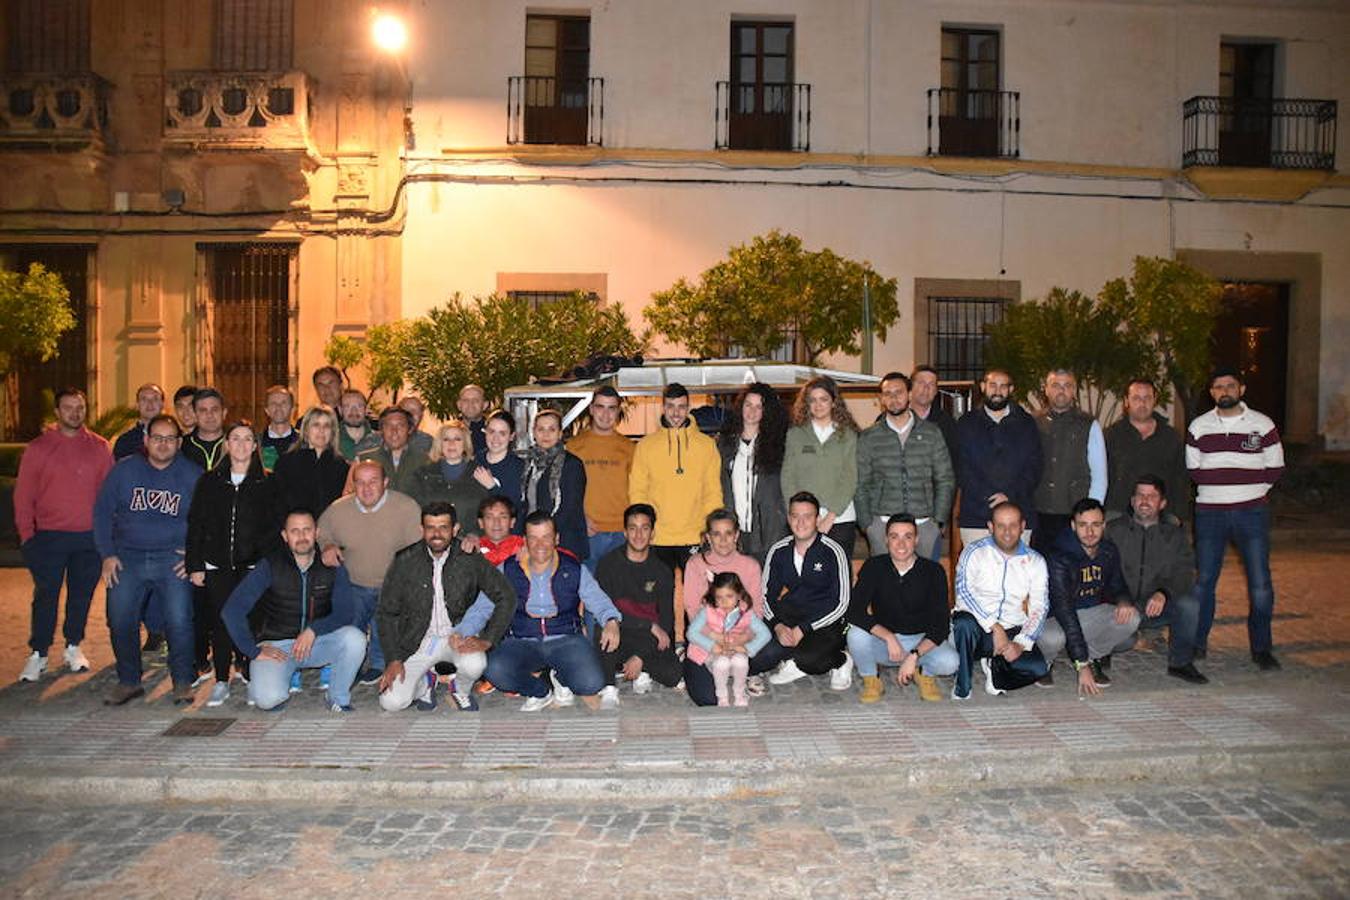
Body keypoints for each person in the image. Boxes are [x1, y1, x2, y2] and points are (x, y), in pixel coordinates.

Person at [93, 414, 203, 705]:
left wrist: (194, 556)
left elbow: (207, 521)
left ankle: (182, 681)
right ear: (146, 440)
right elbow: (102, 512)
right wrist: (107, 554)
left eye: (170, 439)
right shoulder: (124, 471)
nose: (163, 444)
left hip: (172, 558)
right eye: (157, 438)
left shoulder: (193, 475)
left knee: (179, 620)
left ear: (179, 443)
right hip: (127, 557)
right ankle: (129, 681)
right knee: (119, 618)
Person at [375, 501, 518, 713]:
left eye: (443, 527)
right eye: (430, 527)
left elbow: (506, 595)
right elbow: (386, 612)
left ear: (455, 529)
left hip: (457, 636)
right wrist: (394, 658)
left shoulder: (469, 558)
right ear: (421, 529)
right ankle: (424, 684)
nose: (437, 534)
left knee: (475, 663)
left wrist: (488, 639)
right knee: (391, 702)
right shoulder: (405, 560)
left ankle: (460, 690)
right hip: (418, 641)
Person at [1187, 368, 1285, 669]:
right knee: (1204, 581)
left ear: (1241, 388)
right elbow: (1195, 470)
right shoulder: (1199, 426)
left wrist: (1252, 492)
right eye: (1218, 387)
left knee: (1260, 582)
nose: (1224, 391)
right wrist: (1222, 490)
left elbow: (1275, 467)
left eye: (1230, 385)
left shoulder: (1262, 424)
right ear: (1212, 392)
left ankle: (1261, 648)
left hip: (1251, 512)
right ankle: (1197, 643)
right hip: (1210, 513)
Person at [221, 509, 367, 712]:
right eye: (294, 531)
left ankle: (337, 697)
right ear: (285, 536)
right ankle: (273, 682)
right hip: (279, 646)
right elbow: (232, 610)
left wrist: (313, 630)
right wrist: (253, 651)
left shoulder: (332, 566)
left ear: (316, 533)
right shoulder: (270, 566)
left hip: (317, 642)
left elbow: (345, 613)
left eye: (307, 530)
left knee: (355, 639)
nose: (301, 536)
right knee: (268, 700)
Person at [15, 388, 113, 682]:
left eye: (80, 407)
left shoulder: (99, 447)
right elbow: (23, 497)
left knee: (81, 596)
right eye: (68, 408)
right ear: (57, 412)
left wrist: (106, 538)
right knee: (45, 596)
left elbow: (109, 497)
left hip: (88, 538)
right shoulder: (39, 448)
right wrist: (27, 538)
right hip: (48, 538)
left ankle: (73, 646)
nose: (75, 413)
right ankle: (39, 653)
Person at [483, 512, 623, 712]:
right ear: (525, 540)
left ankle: (558, 675)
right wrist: (463, 631)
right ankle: (540, 691)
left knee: (590, 684)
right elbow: (483, 605)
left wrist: (611, 620)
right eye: (533, 538)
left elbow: (597, 599)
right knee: (494, 669)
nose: (540, 544)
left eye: (546, 537)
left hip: (566, 638)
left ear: (556, 539)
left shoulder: (573, 568)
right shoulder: (509, 569)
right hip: (523, 639)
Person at [185, 421, 280, 706]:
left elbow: (273, 528)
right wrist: (195, 565)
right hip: (217, 565)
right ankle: (222, 680)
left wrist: (268, 563)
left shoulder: (267, 482)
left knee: (251, 623)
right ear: (227, 444)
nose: (240, 444)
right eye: (235, 439)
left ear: (254, 446)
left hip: (252, 567)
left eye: (247, 439)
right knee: (222, 623)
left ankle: (250, 675)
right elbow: (196, 525)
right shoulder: (209, 482)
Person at [317, 460, 423, 686]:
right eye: (360, 482)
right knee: (350, 628)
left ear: (385, 482)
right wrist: (327, 545)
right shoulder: (338, 509)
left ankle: (377, 664)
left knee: (383, 629)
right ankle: (348, 665)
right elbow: (322, 532)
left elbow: (418, 549)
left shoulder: (406, 507)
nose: (366, 488)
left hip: (391, 585)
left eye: (373, 482)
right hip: (354, 583)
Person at [846, 513, 958, 703]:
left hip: (920, 641)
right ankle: (871, 679)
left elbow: (941, 625)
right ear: (886, 540)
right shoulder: (874, 566)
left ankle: (924, 673)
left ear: (916, 540)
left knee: (951, 662)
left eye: (907, 536)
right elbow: (854, 611)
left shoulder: (933, 571)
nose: (901, 543)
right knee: (855, 634)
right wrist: (888, 636)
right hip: (885, 644)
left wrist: (914, 655)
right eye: (894, 536)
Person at [1106, 476, 1207, 684]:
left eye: (1152, 496)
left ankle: (1180, 663)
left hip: (1155, 607)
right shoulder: (1113, 531)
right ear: (1132, 501)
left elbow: (1185, 572)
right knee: (1124, 641)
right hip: (1117, 608)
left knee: (1189, 604)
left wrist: (1164, 593)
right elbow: (1102, 572)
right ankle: (1102, 652)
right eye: (1140, 495)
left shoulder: (1174, 536)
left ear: (1162, 503)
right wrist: (1120, 599)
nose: (1145, 500)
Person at [950, 501, 1051, 699]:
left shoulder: (1035, 561)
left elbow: (1040, 607)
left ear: (1022, 526)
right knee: (963, 622)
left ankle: (995, 670)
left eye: (1013, 525)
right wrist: (994, 627)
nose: (1007, 532)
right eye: (1001, 525)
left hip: (1013, 627)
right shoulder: (974, 552)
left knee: (1038, 668)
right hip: (977, 629)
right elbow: (963, 593)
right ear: (990, 527)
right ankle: (963, 686)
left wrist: (1021, 643)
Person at [1036, 498, 1139, 693]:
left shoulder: (1108, 550)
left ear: (1104, 525)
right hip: (1056, 618)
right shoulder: (1059, 556)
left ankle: (1093, 656)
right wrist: (1080, 664)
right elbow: (1064, 609)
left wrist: (1124, 600)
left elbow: (1118, 583)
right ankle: (1045, 662)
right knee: (1053, 639)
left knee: (1132, 618)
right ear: (1073, 526)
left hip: (1090, 615)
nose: (1090, 532)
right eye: (1083, 525)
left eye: (1096, 525)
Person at [757, 492, 853, 690]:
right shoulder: (779, 550)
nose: (801, 523)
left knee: (810, 659)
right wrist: (777, 625)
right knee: (761, 656)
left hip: (829, 621)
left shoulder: (833, 551)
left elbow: (842, 603)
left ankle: (841, 660)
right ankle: (794, 657)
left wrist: (804, 628)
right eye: (795, 516)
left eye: (807, 516)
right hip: (792, 615)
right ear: (788, 518)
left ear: (817, 519)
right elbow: (764, 595)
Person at [855, 372, 954, 562]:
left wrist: (938, 521)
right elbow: (860, 483)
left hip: (924, 524)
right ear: (881, 398)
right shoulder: (869, 437)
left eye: (898, 392)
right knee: (885, 586)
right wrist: (867, 524)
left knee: (923, 585)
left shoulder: (931, 433)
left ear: (909, 394)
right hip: (882, 524)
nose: (893, 398)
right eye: (887, 394)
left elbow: (945, 479)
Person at [593, 503, 681, 708]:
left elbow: (666, 620)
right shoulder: (609, 564)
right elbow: (605, 609)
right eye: (632, 528)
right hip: (620, 630)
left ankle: (637, 667)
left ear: (652, 533)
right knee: (605, 629)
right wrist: (647, 625)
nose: (638, 534)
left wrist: (640, 656)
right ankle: (609, 687)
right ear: (625, 532)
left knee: (673, 674)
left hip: (647, 636)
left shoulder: (661, 570)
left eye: (644, 528)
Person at [629, 382, 723, 573]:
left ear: (688, 408)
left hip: (695, 535)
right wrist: (644, 528)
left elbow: (712, 491)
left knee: (697, 598)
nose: (675, 413)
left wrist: (711, 529)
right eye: (670, 406)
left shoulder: (707, 446)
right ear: (663, 408)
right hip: (658, 536)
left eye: (681, 407)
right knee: (658, 598)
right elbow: (638, 491)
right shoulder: (646, 446)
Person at [681, 509, 768, 706]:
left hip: (741, 635)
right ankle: (705, 666)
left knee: (772, 648)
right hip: (706, 638)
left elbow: (757, 610)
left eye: (728, 533)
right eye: (716, 534)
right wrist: (717, 640)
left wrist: (742, 639)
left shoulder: (751, 566)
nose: (723, 540)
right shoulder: (695, 564)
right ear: (708, 537)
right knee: (706, 699)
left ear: (737, 535)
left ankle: (744, 673)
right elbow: (693, 610)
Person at [955, 369, 1042, 549]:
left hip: (1019, 514)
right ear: (983, 387)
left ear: (1011, 389)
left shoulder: (1026, 424)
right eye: (993, 385)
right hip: (976, 515)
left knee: (1016, 573)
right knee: (979, 575)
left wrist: (1009, 495)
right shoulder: (966, 423)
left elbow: (1034, 466)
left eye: (1003, 386)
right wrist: (989, 496)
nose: (997, 391)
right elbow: (961, 467)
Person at [781, 376, 860, 554]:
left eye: (824, 399)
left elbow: (850, 477)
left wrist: (830, 517)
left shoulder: (847, 436)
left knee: (839, 575)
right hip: (804, 520)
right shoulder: (795, 435)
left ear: (834, 402)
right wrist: (798, 514)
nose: (818, 405)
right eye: (813, 400)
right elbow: (788, 476)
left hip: (840, 518)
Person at [1031, 369, 1107, 553]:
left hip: (1075, 513)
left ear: (1074, 391)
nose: (1061, 391)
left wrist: (1091, 514)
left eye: (1067, 386)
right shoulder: (1033, 422)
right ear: (1046, 390)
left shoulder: (1089, 424)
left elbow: (1099, 474)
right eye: (1056, 385)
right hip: (1038, 512)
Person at [716, 382, 789, 561]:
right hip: (734, 532)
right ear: (741, 406)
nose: (752, 411)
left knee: (765, 584)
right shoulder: (724, 444)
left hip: (768, 532)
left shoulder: (779, 445)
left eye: (759, 407)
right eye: (748, 404)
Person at [568, 386, 636, 571]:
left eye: (611, 408)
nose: (605, 414)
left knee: (620, 595)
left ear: (618, 411)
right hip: (587, 533)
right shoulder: (573, 447)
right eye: (600, 407)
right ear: (591, 409)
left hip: (621, 534)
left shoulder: (630, 448)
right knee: (589, 595)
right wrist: (581, 520)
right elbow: (565, 492)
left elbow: (638, 492)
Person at [1104, 379, 1190, 524]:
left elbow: (1181, 478)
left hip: (1162, 516)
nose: (1142, 404)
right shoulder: (1111, 436)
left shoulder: (1171, 437)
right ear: (1126, 401)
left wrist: (1177, 514)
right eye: (1136, 398)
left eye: (1147, 398)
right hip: (1118, 515)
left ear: (1155, 400)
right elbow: (1102, 476)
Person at [687, 572, 771, 707]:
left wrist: (746, 648)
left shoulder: (746, 612)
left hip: (735, 650)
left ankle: (739, 692)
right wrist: (713, 646)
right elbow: (692, 633)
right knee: (722, 663)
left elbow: (765, 634)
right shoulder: (708, 611)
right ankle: (722, 695)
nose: (724, 602)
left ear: (739, 595)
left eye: (729, 596)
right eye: (719, 597)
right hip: (710, 653)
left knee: (741, 661)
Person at [520, 408, 588, 561]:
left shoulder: (572, 464)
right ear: (534, 433)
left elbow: (570, 507)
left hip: (564, 541)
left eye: (552, 429)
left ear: (560, 433)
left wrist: (545, 536)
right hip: (535, 542)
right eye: (541, 429)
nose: (545, 434)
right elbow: (525, 504)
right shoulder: (529, 463)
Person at [411, 420, 490, 534]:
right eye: (446, 439)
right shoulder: (423, 475)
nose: (451, 444)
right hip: (434, 540)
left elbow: (487, 513)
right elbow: (416, 512)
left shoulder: (479, 474)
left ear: (465, 444)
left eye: (457, 439)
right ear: (439, 444)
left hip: (468, 543)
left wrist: (475, 535)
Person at [272, 405, 351, 520]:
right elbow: (278, 505)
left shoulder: (342, 467)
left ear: (333, 432)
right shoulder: (286, 464)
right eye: (316, 425)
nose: (321, 430)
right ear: (306, 429)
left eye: (327, 426)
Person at [356, 406, 428, 496]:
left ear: (410, 429)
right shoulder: (363, 460)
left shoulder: (425, 461)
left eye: (400, 425)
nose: (394, 431)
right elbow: (349, 497)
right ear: (381, 430)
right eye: (389, 426)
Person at [471, 409, 525, 507]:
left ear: (511, 436)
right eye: (491, 432)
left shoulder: (519, 468)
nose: (496, 438)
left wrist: (492, 486)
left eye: (502, 433)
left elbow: (515, 508)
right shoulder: (475, 461)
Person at [180, 387, 228, 475]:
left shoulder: (236, 443)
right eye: (203, 410)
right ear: (194, 414)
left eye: (214, 410)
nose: (209, 415)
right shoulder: (182, 446)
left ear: (224, 413)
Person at [113, 383, 165, 460]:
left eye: (155, 399)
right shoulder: (125, 441)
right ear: (137, 405)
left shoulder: (174, 438)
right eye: (144, 399)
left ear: (162, 404)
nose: (150, 403)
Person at [258, 385, 299, 471]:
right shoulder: (256, 443)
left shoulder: (304, 441)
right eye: (273, 403)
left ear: (293, 409)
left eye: (283, 403)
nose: (278, 407)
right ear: (266, 410)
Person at [336, 388, 380, 461]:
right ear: (340, 410)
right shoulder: (331, 440)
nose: (354, 411)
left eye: (359, 406)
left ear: (366, 409)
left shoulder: (379, 441)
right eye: (347, 406)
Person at [456, 383, 490, 458]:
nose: (470, 404)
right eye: (465, 400)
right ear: (459, 405)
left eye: (476, 400)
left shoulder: (492, 431)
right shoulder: (448, 431)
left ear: (485, 405)